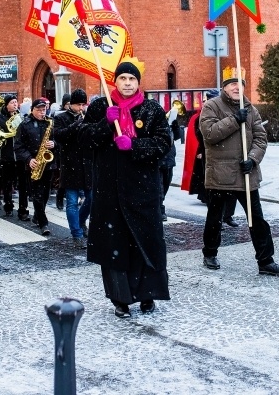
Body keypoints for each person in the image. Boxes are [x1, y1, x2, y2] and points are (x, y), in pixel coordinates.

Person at [78, 59, 171, 318]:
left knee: (146, 243)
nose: (127, 83)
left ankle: (147, 295)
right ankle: (120, 298)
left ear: (138, 82)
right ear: (115, 81)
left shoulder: (151, 109)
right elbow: (83, 139)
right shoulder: (101, 106)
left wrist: (135, 146)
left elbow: (164, 142)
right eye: (123, 79)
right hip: (110, 190)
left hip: (143, 191)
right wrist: (104, 125)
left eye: (132, 79)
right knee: (114, 245)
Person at [200, 67, 279, 276]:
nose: (236, 87)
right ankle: (210, 252)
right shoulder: (211, 106)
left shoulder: (250, 108)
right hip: (220, 174)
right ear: (224, 87)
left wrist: (253, 159)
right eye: (231, 83)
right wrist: (234, 120)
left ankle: (266, 260)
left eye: (240, 83)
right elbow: (210, 134)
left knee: (256, 218)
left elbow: (260, 138)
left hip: (245, 174)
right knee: (215, 217)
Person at [53, 88, 92, 248]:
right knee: (71, 202)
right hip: (70, 164)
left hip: (86, 164)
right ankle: (76, 234)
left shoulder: (87, 117)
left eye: (83, 105)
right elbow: (60, 135)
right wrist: (76, 125)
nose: (81, 108)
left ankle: (81, 221)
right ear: (71, 105)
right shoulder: (61, 117)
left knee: (91, 199)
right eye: (78, 105)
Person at [14, 98, 56, 236]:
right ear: (32, 110)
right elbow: (18, 146)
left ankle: (37, 215)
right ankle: (44, 223)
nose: (42, 113)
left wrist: (54, 143)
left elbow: (60, 140)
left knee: (45, 194)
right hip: (34, 163)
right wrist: (28, 159)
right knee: (37, 195)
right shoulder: (25, 125)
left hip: (48, 164)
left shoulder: (50, 122)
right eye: (39, 110)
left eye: (44, 110)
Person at [0, 94, 24, 218]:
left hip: (20, 156)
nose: (15, 104)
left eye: (16, 102)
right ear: (6, 105)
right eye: (12, 102)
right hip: (5, 155)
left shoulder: (21, 116)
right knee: (7, 183)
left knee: (22, 183)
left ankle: (23, 210)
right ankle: (8, 207)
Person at [159, 109, 182, 220]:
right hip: (159, 161)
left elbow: (177, 137)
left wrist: (175, 126)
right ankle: (160, 210)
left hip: (169, 160)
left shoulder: (168, 123)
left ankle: (160, 206)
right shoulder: (157, 124)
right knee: (159, 187)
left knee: (166, 184)